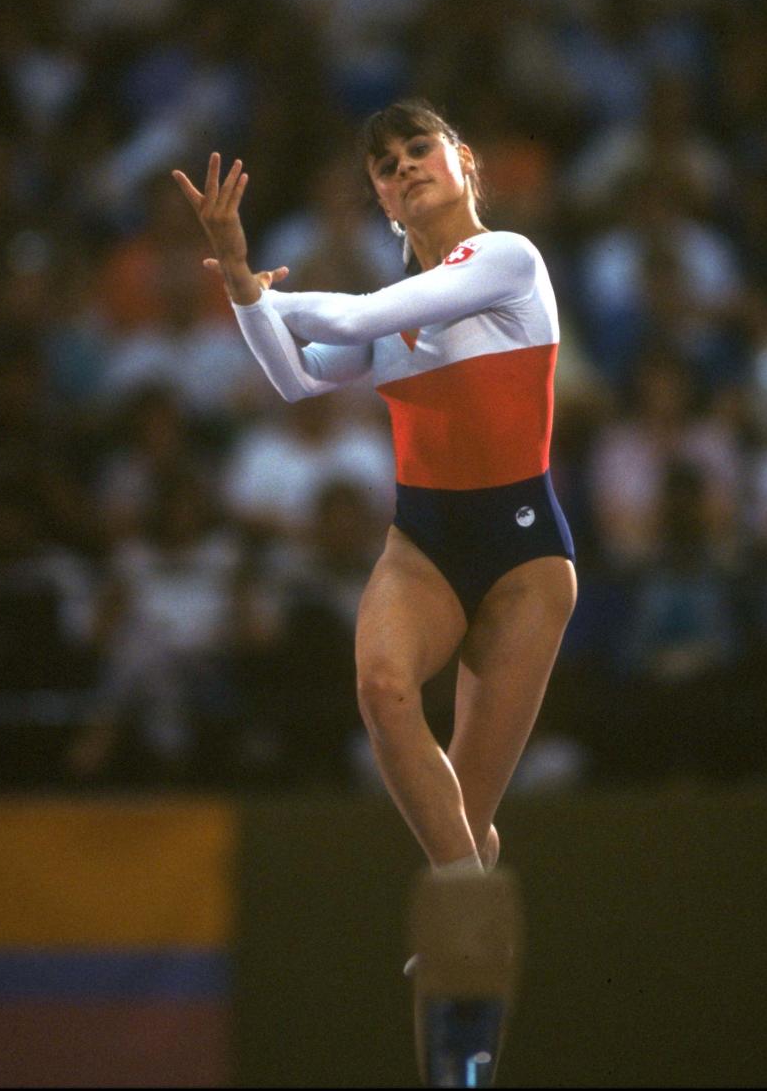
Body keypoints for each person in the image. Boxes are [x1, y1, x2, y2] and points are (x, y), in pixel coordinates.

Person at [172, 99, 577, 881]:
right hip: (423, 545)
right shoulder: (394, 316)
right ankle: (462, 907)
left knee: (469, 822)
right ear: (384, 202)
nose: (404, 168)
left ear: (462, 160)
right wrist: (240, 282)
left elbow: (355, 318)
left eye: (418, 149)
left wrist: (251, 285)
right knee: (384, 688)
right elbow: (293, 378)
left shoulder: (509, 261)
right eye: (386, 168)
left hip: (524, 560)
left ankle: (459, 936)